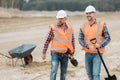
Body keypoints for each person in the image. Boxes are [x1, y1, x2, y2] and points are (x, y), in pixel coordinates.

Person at [78, 5, 111, 80]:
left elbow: (108, 38)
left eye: (90, 13)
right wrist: (88, 46)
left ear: (94, 13)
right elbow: (80, 39)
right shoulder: (83, 26)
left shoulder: (102, 25)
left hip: (98, 54)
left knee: (96, 74)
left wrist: (100, 45)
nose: (88, 15)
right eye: (87, 13)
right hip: (88, 53)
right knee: (90, 74)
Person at [42, 10, 75, 80]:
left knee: (64, 73)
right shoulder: (53, 28)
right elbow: (47, 40)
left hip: (65, 54)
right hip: (55, 54)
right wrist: (44, 53)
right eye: (58, 18)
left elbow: (72, 42)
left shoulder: (70, 29)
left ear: (65, 18)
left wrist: (72, 54)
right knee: (53, 71)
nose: (59, 20)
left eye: (61, 18)